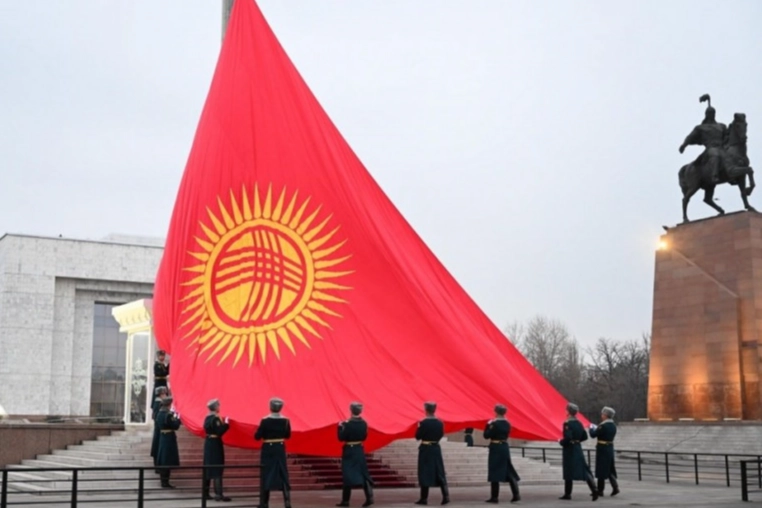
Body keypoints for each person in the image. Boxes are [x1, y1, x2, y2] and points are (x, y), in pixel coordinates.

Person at [254, 397, 292, 508]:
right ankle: (287, 501)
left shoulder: (265, 420)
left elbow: (257, 436)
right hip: (280, 448)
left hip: (268, 449)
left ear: (270, 407)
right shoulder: (286, 420)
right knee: (283, 473)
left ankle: (265, 503)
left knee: (266, 474)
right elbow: (288, 435)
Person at [336, 402, 374, 507]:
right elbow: (364, 437)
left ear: (351, 410)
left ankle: (345, 500)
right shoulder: (364, 423)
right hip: (359, 449)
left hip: (349, 451)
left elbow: (341, 438)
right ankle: (369, 497)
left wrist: (339, 428)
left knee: (347, 474)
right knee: (363, 473)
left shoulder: (347, 424)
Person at [558, 403, 598, 501]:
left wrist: (561, 442)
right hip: (577, 447)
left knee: (568, 470)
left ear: (568, 411)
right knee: (583, 468)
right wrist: (577, 441)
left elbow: (568, 437)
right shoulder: (579, 423)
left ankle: (568, 493)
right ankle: (594, 489)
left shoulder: (567, 423)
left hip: (570, 449)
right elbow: (584, 436)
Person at [414, 401, 450, 506]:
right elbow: (441, 434)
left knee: (424, 472)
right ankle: (446, 496)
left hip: (426, 449)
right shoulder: (440, 423)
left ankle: (424, 498)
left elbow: (418, 436)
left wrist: (418, 427)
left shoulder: (423, 423)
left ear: (426, 410)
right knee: (439, 472)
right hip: (436, 448)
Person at [483, 404, 520, 503]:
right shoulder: (507, 423)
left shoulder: (494, 424)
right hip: (504, 447)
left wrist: (487, 425)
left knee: (494, 471)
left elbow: (486, 435)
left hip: (496, 448)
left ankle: (494, 497)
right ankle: (516, 494)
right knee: (508, 470)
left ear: (496, 412)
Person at [203, 399, 232, 502]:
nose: (219, 407)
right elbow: (219, 431)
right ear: (215, 407)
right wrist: (226, 424)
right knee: (217, 467)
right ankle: (218, 494)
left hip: (208, 443)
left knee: (208, 467)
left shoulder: (207, 417)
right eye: (218, 405)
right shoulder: (215, 419)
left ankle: (205, 493)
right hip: (215, 444)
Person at [589, 406, 619, 497]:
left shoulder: (603, 426)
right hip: (610, 447)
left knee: (601, 469)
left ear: (606, 415)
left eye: (603, 414)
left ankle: (600, 490)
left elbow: (593, 435)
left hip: (602, 448)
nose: (601, 415)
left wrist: (591, 428)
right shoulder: (613, 425)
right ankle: (615, 487)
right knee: (609, 468)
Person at [155, 396, 181, 489]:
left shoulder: (159, 414)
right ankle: (165, 482)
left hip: (163, 437)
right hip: (169, 438)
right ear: (169, 404)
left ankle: (164, 481)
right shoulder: (168, 415)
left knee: (164, 459)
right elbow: (175, 426)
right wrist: (178, 418)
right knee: (167, 460)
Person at [150, 386, 168, 472]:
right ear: (161, 394)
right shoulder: (158, 404)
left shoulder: (158, 403)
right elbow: (157, 417)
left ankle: (158, 466)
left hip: (158, 429)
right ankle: (158, 466)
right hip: (159, 430)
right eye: (164, 394)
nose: (165, 395)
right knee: (158, 447)